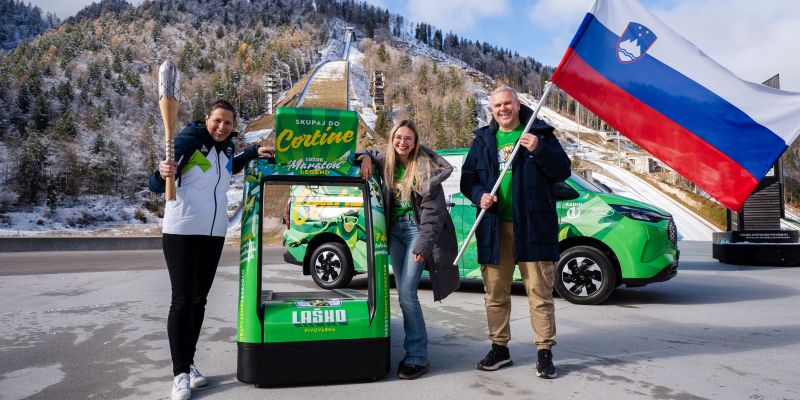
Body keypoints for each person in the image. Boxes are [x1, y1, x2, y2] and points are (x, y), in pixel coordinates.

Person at [149, 100, 273, 400]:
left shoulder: (226, 149)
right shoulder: (187, 142)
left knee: (199, 300)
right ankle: (179, 374)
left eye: (228, 123)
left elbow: (232, 166)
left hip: (214, 233)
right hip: (182, 232)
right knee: (181, 301)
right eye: (217, 121)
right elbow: (157, 183)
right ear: (207, 119)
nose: (222, 127)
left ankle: (188, 362)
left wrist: (253, 152)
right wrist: (161, 171)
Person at [460, 86, 570, 379]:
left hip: (533, 227)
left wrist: (538, 148)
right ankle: (500, 348)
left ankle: (544, 353)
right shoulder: (483, 140)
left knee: (539, 293)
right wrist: (479, 194)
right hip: (495, 228)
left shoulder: (542, 134)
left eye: (507, 103)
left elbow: (562, 171)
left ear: (518, 104)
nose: (502, 109)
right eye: (497, 105)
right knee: (495, 293)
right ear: (492, 109)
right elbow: (467, 179)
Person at [359, 119, 460, 380]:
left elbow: (433, 212)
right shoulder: (386, 161)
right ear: (392, 139)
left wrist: (424, 245)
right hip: (394, 232)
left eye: (408, 139)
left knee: (407, 293)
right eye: (398, 137)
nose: (402, 142)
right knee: (402, 292)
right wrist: (365, 158)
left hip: (416, 231)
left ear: (415, 143)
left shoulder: (425, 166)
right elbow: (365, 153)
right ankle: (412, 348)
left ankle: (417, 356)